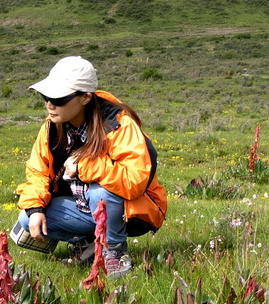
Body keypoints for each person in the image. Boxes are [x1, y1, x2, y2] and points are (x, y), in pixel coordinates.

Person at [14, 56, 167, 278]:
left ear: (85, 98)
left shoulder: (119, 124)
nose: (50, 104)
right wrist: (35, 208)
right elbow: (38, 172)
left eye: (59, 98)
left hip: (131, 209)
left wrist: (85, 165)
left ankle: (115, 251)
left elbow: (134, 181)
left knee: (101, 192)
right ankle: (88, 245)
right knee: (26, 219)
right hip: (83, 205)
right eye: (46, 96)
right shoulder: (51, 127)